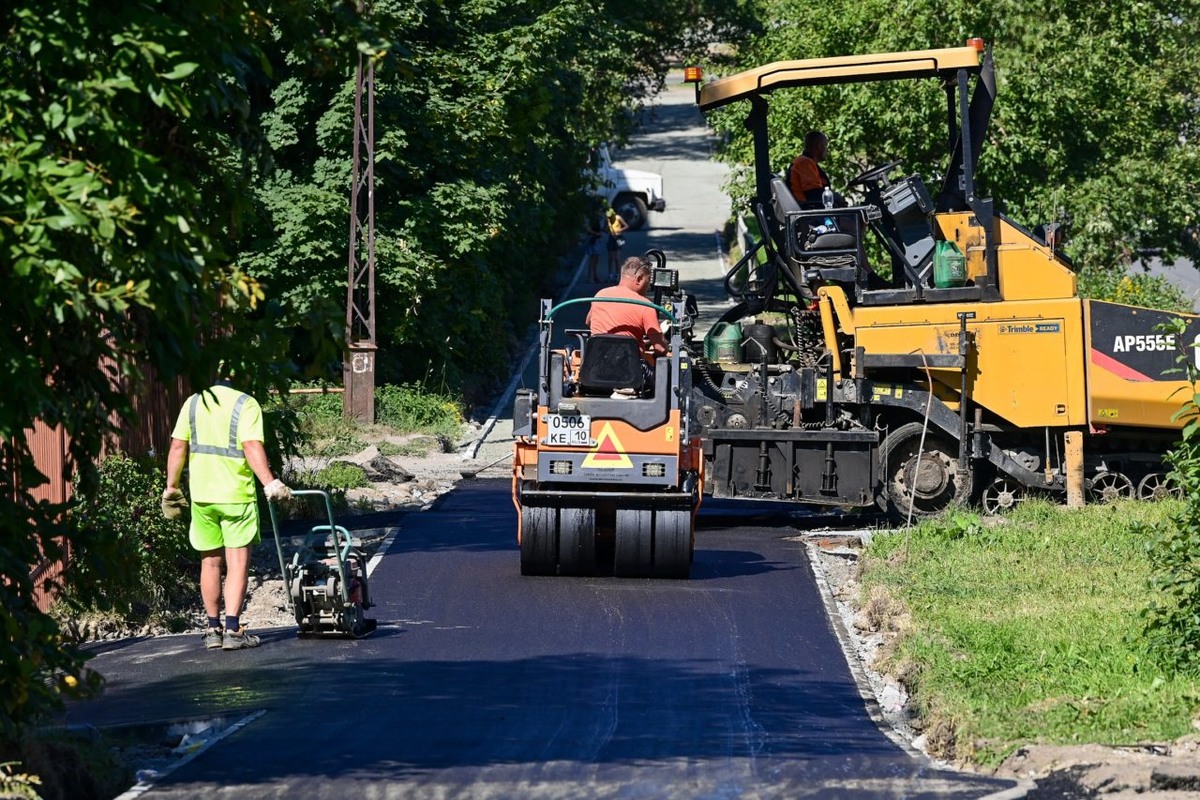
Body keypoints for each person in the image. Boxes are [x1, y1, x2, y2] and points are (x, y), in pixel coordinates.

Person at [163, 373, 291, 651]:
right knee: (237, 564)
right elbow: (251, 446)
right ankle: (233, 629)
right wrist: (270, 482)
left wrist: (171, 487)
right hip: (236, 497)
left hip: (202, 497)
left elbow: (177, 446)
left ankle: (212, 629)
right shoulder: (246, 403)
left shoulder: (194, 402)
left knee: (209, 563)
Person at [587, 256, 668, 359]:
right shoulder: (645, 305)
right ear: (639, 279)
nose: (648, 288)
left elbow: (588, 322)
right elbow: (660, 348)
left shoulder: (600, 295)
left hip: (595, 368)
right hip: (631, 372)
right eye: (648, 282)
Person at [788, 130, 841, 206]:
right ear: (818, 146)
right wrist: (836, 197)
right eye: (826, 146)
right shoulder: (804, 163)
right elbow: (814, 194)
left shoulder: (807, 162)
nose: (827, 150)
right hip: (808, 211)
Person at [604, 207, 629, 280]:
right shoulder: (607, 219)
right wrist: (607, 230)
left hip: (618, 238)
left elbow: (626, 226)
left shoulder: (618, 218)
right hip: (611, 238)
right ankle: (610, 274)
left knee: (617, 258)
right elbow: (604, 229)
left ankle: (618, 274)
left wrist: (619, 230)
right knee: (610, 258)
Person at [585, 207, 606, 283]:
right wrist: (596, 233)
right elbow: (587, 228)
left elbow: (603, 228)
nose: (600, 212)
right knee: (592, 259)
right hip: (593, 239)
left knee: (596, 259)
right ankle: (590, 277)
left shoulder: (600, 219)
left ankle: (595, 276)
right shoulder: (591, 219)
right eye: (599, 211)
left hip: (598, 239)